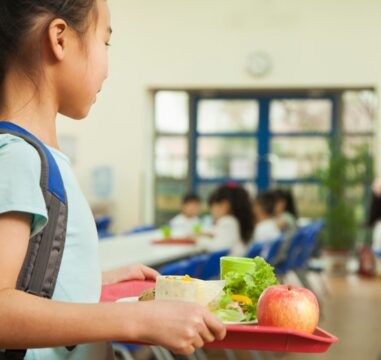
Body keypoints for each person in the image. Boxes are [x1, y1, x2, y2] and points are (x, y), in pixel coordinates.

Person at [0, 1, 225, 358]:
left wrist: (91, 283)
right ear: (59, 39)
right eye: (105, 42)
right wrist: (135, 319)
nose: (107, 67)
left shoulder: (37, 157)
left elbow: (28, 287)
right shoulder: (17, 158)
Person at [206, 183, 255, 256]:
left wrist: (197, 240)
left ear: (224, 205)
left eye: (212, 206)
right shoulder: (240, 222)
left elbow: (217, 247)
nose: (211, 211)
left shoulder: (228, 220)